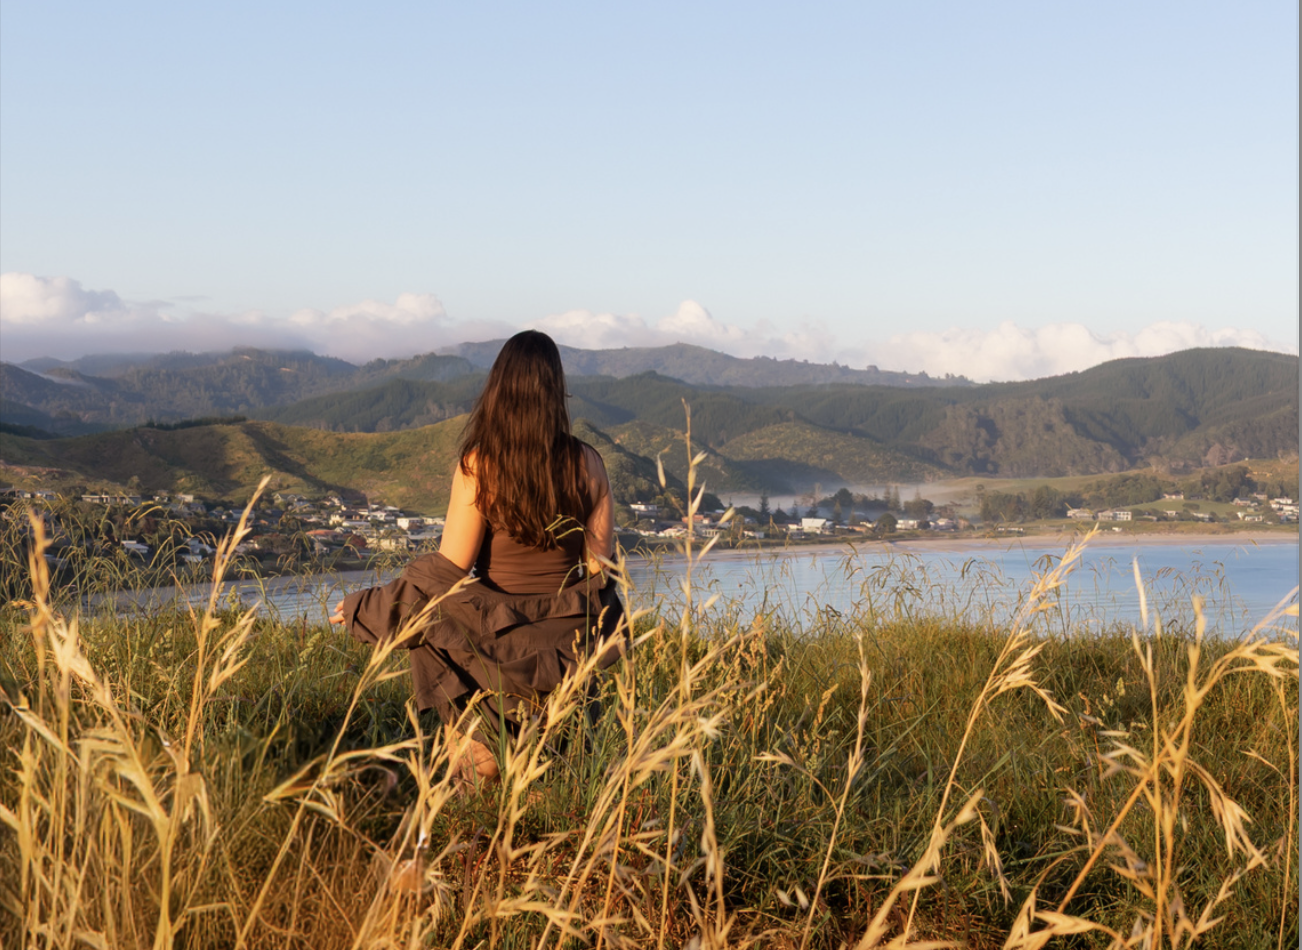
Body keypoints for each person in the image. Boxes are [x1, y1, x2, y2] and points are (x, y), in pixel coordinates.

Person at [330, 330, 624, 787]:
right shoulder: (589, 464)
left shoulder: (479, 466)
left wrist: (365, 608)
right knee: (560, 786)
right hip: (567, 649)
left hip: (491, 647)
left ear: (499, 389)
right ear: (554, 390)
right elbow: (598, 572)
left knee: (473, 778)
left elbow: (447, 572)